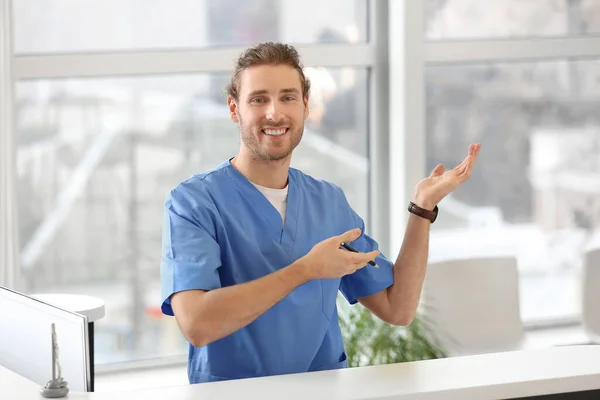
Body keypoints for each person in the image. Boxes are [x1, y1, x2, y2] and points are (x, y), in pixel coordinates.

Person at [160, 42, 481, 384]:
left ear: (304, 106)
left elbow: (397, 307)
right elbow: (196, 323)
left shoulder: (328, 202)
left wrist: (422, 209)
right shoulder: (194, 203)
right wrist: (305, 270)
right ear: (234, 109)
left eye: (288, 97)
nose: (274, 113)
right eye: (258, 99)